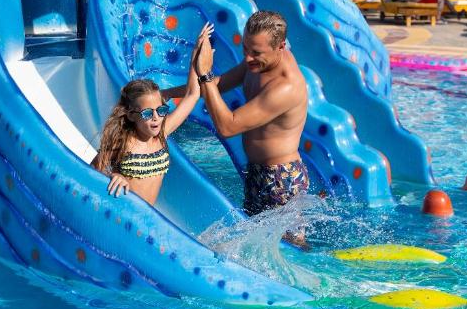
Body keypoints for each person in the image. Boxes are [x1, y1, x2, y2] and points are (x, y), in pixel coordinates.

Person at [184, 11, 313, 216]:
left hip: (281, 178)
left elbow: (227, 127)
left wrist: (206, 73)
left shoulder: (286, 87)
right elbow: (218, 84)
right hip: (256, 172)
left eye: (256, 52)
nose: (248, 57)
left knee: (291, 246)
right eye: (245, 48)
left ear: (280, 46)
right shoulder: (260, 60)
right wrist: (163, 95)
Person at [93, 25, 210, 205]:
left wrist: (196, 53)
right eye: (148, 113)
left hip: (150, 217)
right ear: (131, 115)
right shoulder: (123, 141)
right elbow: (92, 170)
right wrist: (113, 175)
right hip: (126, 219)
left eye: (161, 110)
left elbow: (192, 95)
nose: (156, 117)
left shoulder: (161, 134)